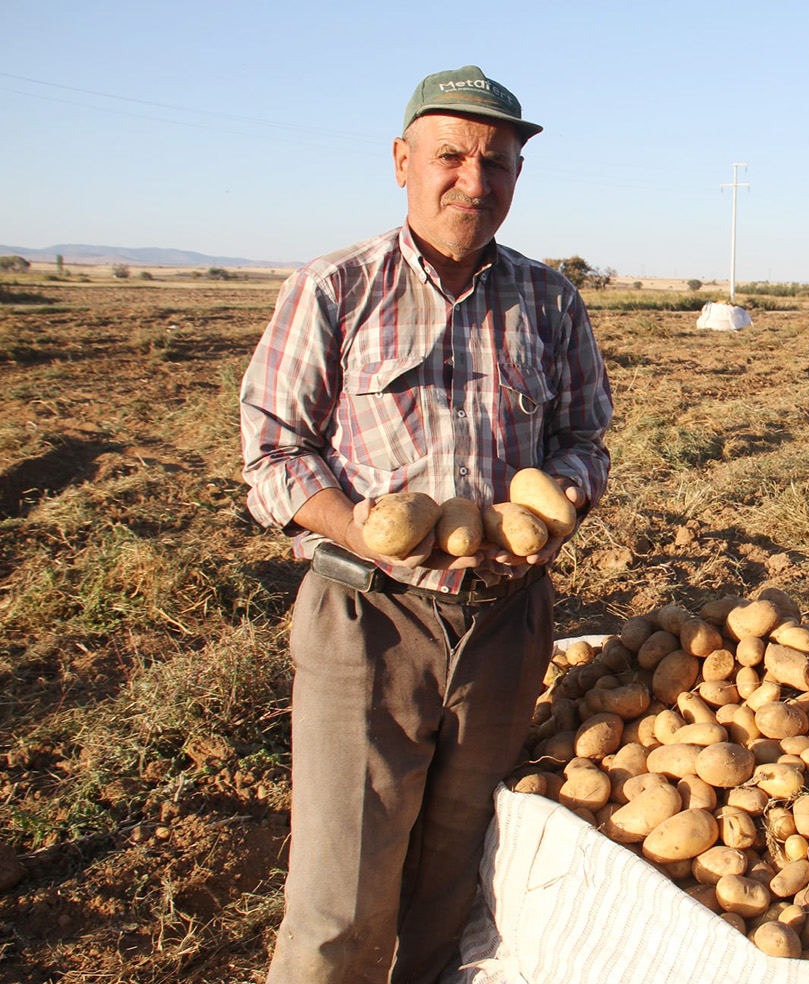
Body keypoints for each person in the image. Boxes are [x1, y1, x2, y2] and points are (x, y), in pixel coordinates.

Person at [239, 66, 613, 984]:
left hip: (505, 623)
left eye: (498, 163)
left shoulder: (550, 300)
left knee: (457, 885)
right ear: (403, 161)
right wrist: (359, 526)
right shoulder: (335, 287)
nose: (474, 182)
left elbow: (585, 440)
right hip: (371, 622)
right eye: (451, 156)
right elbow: (273, 455)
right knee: (340, 905)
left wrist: (552, 511)